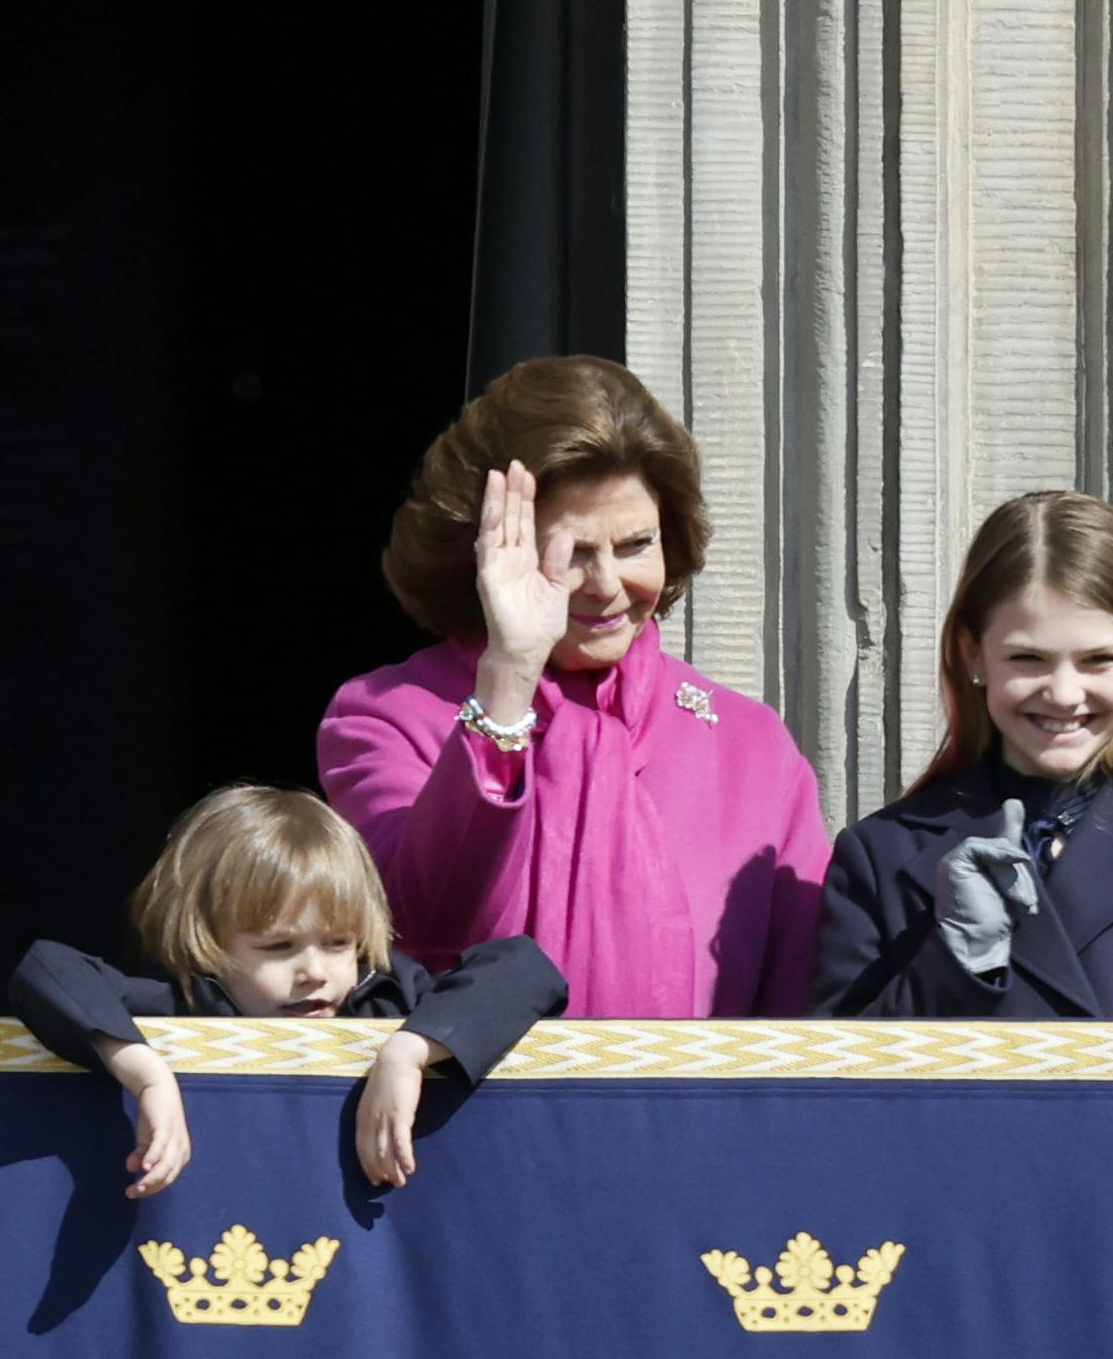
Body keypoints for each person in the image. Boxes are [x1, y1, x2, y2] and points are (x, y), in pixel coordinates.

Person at [318, 356, 831, 1017]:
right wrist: (509, 675)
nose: (608, 585)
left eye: (635, 544)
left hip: (697, 1119)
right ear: (487, 552)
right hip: (467, 1117)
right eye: (570, 554)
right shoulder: (386, 717)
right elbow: (423, 918)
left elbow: (809, 1011)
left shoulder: (750, 746)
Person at [810, 494, 1113, 1019]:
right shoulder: (881, 858)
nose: (1064, 694)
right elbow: (837, 1088)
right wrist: (956, 963)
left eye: (1098, 660)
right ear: (972, 653)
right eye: (1029, 658)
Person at [7, 785, 565, 1195]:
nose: (315, 972)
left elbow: (524, 968)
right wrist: (145, 1073)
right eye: (279, 948)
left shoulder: (390, 1001)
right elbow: (46, 969)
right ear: (204, 942)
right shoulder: (179, 1008)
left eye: (339, 943)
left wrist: (410, 1050)